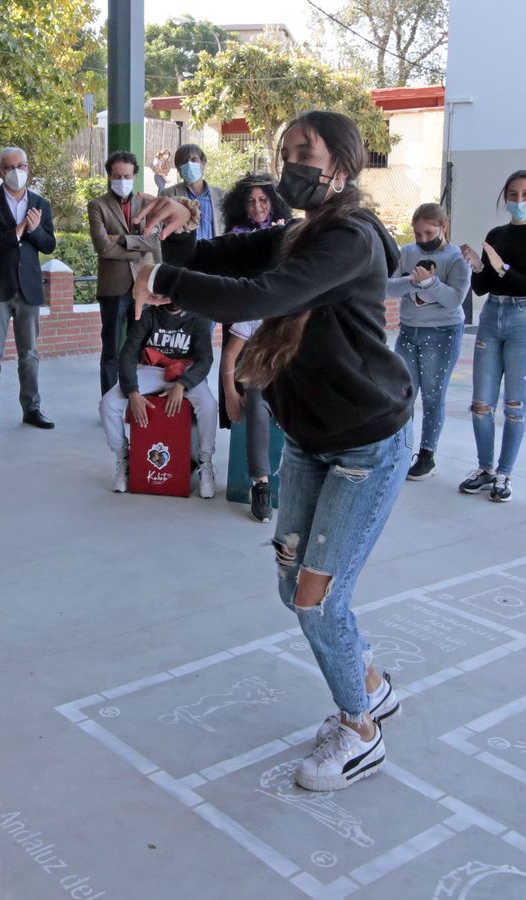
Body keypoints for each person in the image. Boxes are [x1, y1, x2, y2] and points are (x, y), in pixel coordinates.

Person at [133, 110, 414, 793]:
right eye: (284, 151)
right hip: (312, 439)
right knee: (293, 588)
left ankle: (360, 730)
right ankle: (372, 684)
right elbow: (221, 257)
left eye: (303, 153)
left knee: (318, 601)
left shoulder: (348, 239)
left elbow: (266, 295)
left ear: (339, 168)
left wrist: (166, 284)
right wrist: (173, 228)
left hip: (366, 443)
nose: (289, 164)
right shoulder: (297, 233)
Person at [458, 172, 526, 503]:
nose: (518, 200)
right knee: (481, 403)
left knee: (514, 405)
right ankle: (485, 469)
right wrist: (477, 267)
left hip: (525, 320)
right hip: (492, 316)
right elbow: (484, 288)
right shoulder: (496, 235)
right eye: (512, 195)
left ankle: (504, 473)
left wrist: (503, 269)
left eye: (525, 194)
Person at [219, 173, 292, 522]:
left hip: (288, 341)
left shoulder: (287, 233)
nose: (258, 206)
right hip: (249, 329)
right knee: (256, 396)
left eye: (264, 200)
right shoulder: (235, 239)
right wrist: (231, 390)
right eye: (251, 201)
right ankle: (260, 483)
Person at [0, 147, 57, 433]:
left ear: (29, 168)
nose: (16, 171)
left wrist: (32, 230)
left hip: (28, 288)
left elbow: (49, 245)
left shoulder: (41, 203)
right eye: (9, 167)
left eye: (20, 165)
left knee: (29, 354)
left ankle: (32, 408)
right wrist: (16, 231)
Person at [100, 294, 216, 497]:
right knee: (108, 403)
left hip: (185, 373)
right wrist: (132, 391)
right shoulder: (147, 316)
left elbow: (205, 360)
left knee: (208, 405)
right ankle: (123, 460)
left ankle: (206, 463)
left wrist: (183, 385)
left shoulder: (199, 318)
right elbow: (127, 354)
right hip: (151, 370)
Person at [388, 203, 471, 482]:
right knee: (402, 393)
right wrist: (415, 282)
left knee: (433, 395)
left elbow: (454, 299)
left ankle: (427, 455)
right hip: (409, 330)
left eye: (429, 233)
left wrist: (429, 284)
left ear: (443, 227)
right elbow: (388, 286)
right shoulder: (407, 253)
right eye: (418, 234)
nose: (423, 239)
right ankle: (401, 450)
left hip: (443, 332)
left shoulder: (456, 258)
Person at [87, 150, 160, 396]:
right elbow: (102, 246)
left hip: (145, 284)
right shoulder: (97, 205)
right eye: (117, 175)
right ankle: (109, 399)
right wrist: (137, 248)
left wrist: (123, 240)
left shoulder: (147, 204)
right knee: (111, 348)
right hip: (113, 287)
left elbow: (156, 242)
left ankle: (140, 395)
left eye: (126, 175)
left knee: (142, 344)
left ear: (135, 175)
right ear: (109, 175)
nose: (122, 180)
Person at [161, 144, 225, 239]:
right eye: (183, 162)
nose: (189, 164)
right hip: (184, 253)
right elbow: (159, 230)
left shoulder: (222, 195)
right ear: (179, 170)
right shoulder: (168, 195)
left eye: (194, 160)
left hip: (214, 252)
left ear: (203, 165)